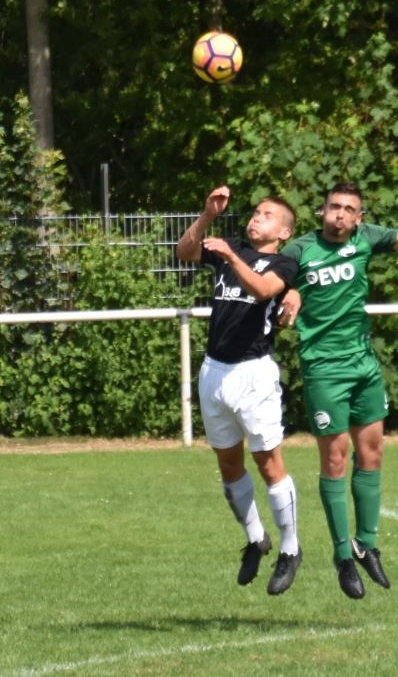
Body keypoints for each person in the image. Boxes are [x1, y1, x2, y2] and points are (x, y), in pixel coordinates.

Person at [279, 182, 398, 599]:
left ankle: (365, 545)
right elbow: (272, 282)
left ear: (359, 218)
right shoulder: (299, 250)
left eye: (350, 209)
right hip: (324, 368)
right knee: (335, 459)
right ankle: (342, 556)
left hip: (364, 364)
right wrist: (289, 290)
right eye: (335, 207)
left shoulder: (366, 238)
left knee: (373, 453)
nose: (341, 214)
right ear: (322, 211)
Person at [176, 185, 302, 596]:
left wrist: (231, 257)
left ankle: (290, 548)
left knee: (268, 465)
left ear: (283, 232)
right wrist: (207, 215)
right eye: (255, 212)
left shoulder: (283, 263)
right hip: (215, 372)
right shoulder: (232, 247)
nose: (255, 218)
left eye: (267, 215)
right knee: (229, 465)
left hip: (253, 374)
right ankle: (255, 539)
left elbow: (263, 290)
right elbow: (184, 251)